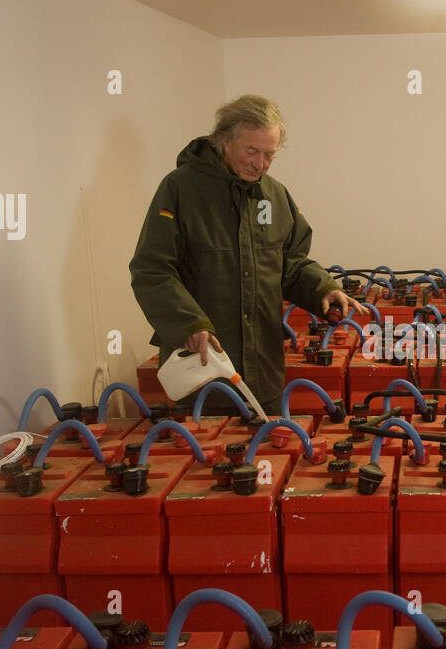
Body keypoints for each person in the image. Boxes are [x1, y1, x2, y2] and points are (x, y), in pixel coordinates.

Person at [130, 95, 361, 417]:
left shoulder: (275, 194)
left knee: (261, 453)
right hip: (204, 368)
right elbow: (152, 270)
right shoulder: (180, 189)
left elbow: (290, 261)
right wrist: (189, 324)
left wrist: (322, 288)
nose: (260, 164)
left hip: (262, 368)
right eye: (251, 152)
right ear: (224, 141)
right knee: (207, 457)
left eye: (270, 155)